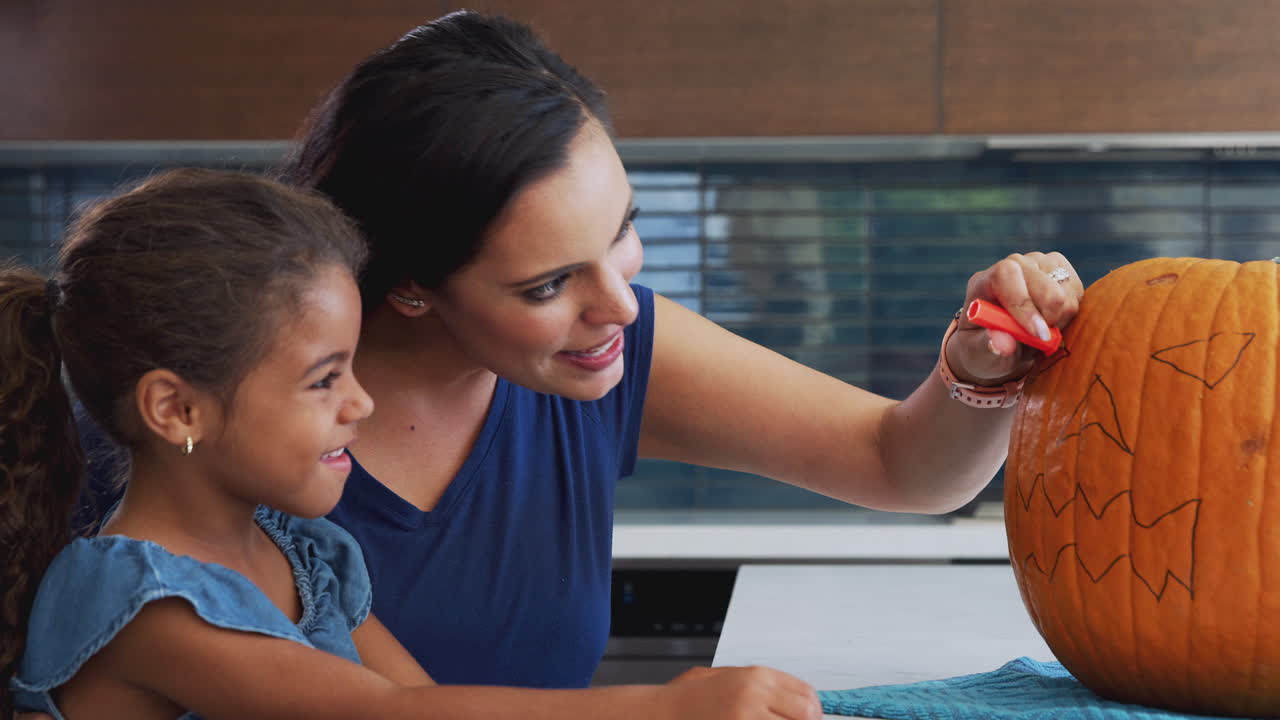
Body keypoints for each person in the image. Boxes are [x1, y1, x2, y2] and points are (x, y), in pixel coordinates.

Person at [277, 8, 1086, 690]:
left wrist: (979, 368)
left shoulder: (609, 346)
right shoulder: (251, 417)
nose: (620, 303)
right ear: (413, 286)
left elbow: (897, 462)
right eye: (547, 285)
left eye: (621, 230)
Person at [1, 168, 823, 719]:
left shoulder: (300, 552)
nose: (361, 402)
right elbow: (385, 716)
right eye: (323, 380)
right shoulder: (137, 600)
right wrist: (664, 706)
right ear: (177, 411)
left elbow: (426, 698)